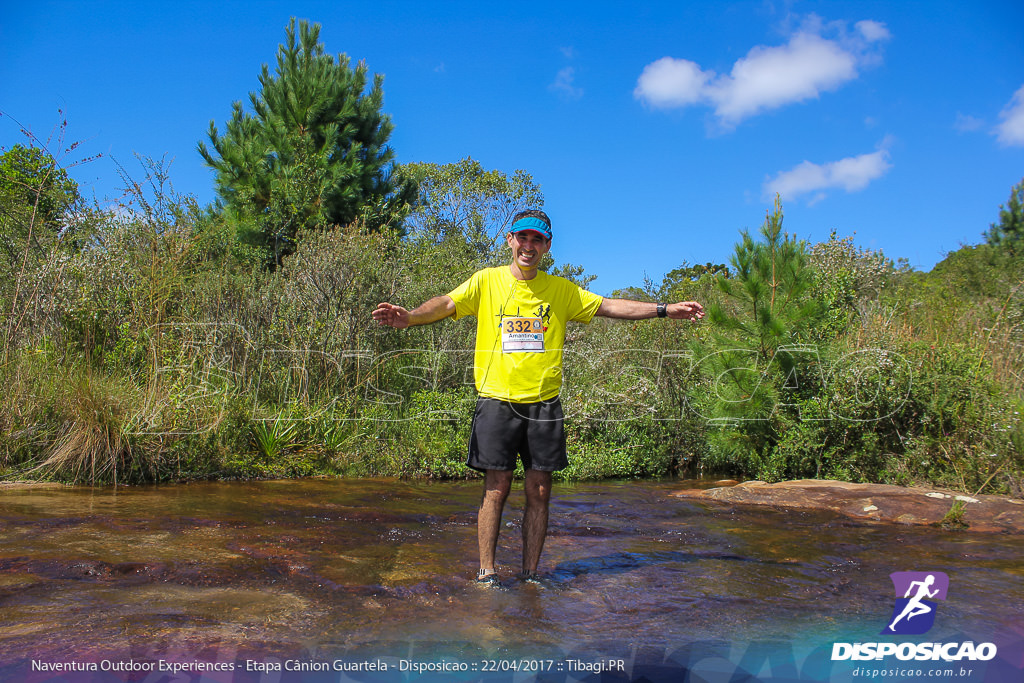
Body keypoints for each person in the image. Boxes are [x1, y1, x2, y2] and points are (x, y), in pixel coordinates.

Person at [372, 209, 704, 584]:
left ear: (547, 246)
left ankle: (530, 576)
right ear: (510, 240)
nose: (529, 246)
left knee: (540, 490)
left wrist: (664, 310)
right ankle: (487, 574)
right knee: (496, 487)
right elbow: (447, 303)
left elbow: (610, 306)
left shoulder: (561, 290)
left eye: (537, 239)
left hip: (544, 404)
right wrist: (411, 316)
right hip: (497, 399)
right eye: (523, 237)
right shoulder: (486, 281)